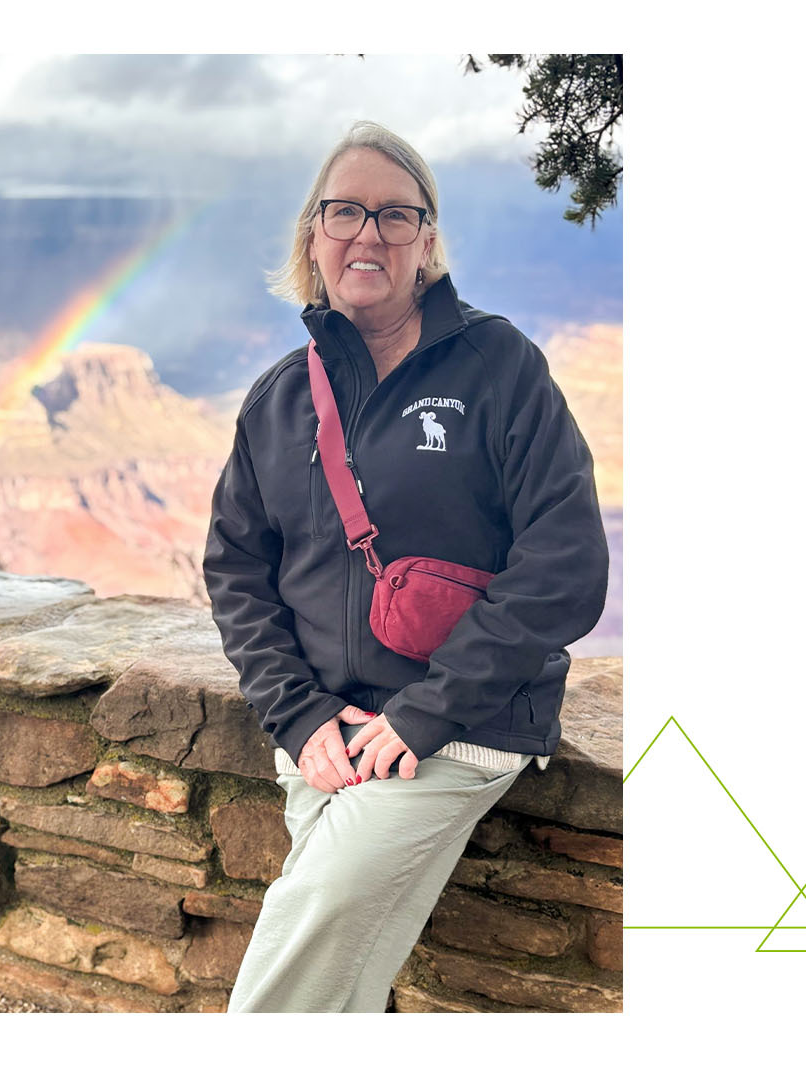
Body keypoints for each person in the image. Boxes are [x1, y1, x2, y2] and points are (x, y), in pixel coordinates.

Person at [202, 120, 609, 1012]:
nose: (368, 234)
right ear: (313, 234)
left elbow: (567, 562)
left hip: (462, 723)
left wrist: (425, 714)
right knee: (340, 971)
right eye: (345, 211)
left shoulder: (499, 366)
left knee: (306, 933)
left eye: (396, 215)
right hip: (328, 734)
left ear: (427, 238)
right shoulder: (278, 398)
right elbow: (236, 567)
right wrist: (296, 710)